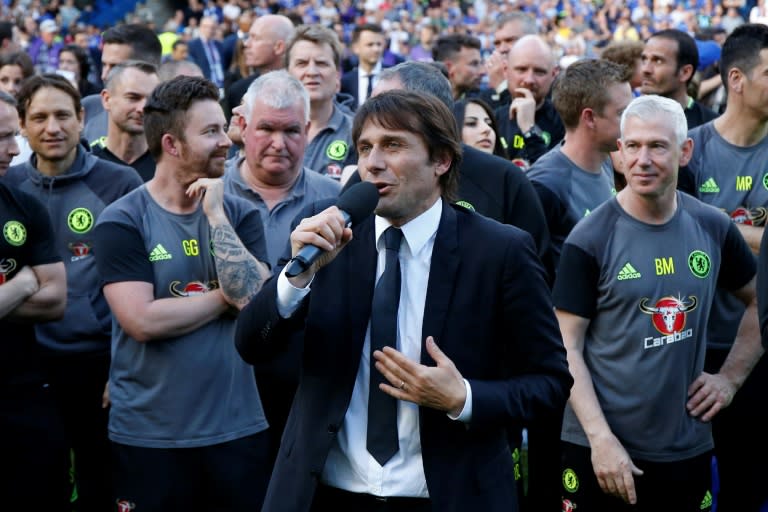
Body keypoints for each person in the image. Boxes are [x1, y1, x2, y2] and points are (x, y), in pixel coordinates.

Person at [235, 89, 572, 512]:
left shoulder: (499, 251)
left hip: (447, 496)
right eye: (365, 148)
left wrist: (463, 398)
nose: (373, 162)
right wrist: (295, 278)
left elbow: (550, 384)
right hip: (325, 493)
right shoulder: (329, 233)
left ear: (441, 160)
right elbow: (251, 344)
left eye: (393, 145)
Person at [555, 94, 762, 511]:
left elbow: (760, 300)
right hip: (602, 451)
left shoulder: (713, 226)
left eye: (657, 146)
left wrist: (730, 378)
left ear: (685, 152)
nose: (642, 159)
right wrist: (600, 439)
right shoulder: (591, 238)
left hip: (686, 446)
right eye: (632, 146)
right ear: (619, 152)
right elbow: (566, 348)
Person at [92, 76, 273, 511]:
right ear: (172, 145)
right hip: (151, 436)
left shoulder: (241, 214)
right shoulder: (122, 220)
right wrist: (223, 298)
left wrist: (215, 215)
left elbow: (254, 304)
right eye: (210, 132)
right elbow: (142, 321)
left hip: (236, 430)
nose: (227, 141)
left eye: (223, 128)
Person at [3, 73, 142, 512]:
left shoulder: (119, 184)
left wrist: (121, 368)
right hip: (29, 368)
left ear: (83, 119)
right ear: (22, 127)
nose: (52, 127)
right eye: (39, 117)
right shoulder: (11, 187)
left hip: (98, 362)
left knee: (101, 479)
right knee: (41, 483)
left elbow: (142, 283)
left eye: (63, 115)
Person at [344, 61, 551, 274]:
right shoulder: (363, 185)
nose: (374, 163)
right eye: (366, 148)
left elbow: (535, 273)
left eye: (388, 103)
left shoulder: (504, 181)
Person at [684, 23, 768, 511]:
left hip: (759, 347)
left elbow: (703, 231)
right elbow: (682, 237)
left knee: (748, 488)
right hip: (693, 348)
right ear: (736, 79)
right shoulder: (689, 150)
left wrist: (715, 225)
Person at [0, 89, 69, 509]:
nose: (13, 149)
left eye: (13, 136)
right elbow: (39, 288)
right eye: (3, 137)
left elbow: (57, 298)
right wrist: (24, 284)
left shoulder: (22, 205)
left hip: (21, 390)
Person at [527, 59, 631, 273]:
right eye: (622, 113)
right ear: (590, 118)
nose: (632, 121)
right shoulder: (545, 185)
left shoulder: (604, 161)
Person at [286, 24, 356, 179]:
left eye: (321, 63)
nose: (312, 72)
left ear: (337, 75)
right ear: (287, 74)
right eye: (302, 63)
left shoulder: (357, 134)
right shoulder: (265, 130)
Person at [81, 23, 162, 143]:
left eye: (115, 67)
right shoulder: (89, 108)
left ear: (148, 69)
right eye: (104, 65)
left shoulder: (172, 124)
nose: (104, 76)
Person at [495, 35, 564, 171]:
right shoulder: (489, 119)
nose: (529, 80)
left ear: (554, 74)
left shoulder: (567, 122)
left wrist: (529, 130)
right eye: (521, 69)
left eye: (539, 72)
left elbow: (557, 177)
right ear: (505, 70)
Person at [91, 61, 160, 182]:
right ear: (107, 99)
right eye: (133, 98)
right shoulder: (86, 162)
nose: (142, 108)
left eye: (151, 100)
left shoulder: (168, 166)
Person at [639, 29, 719, 129]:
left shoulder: (711, 129)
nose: (645, 69)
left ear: (685, 72)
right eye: (644, 59)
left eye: (658, 61)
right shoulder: (627, 118)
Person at [226, 14, 296, 125]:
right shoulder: (238, 90)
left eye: (255, 38)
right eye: (248, 37)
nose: (246, 44)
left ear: (279, 47)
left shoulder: (307, 88)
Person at [484, 12, 538, 109]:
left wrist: (502, 87)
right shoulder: (487, 93)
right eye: (497, 43)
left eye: (510, 40)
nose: (502, 49)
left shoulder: (549, 84)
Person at [341, 23, 388, 110]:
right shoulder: (345, 82)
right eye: (370, 44)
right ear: (356, 48)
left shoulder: (394, 76)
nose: (376, 49)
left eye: (379, 44)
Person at [431, 33, 486, 100]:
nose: (483, 71)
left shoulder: (480, 101)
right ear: (448, 68)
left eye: (481, 63)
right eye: (474, 64)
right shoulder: (423, 105)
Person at [188, 15, 226, 91]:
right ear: (200, 27)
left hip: (222, 85)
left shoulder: (219, 45)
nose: (209, 30)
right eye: (206, 27)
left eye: (212, 27)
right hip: (205, 86)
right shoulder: (192, 45)